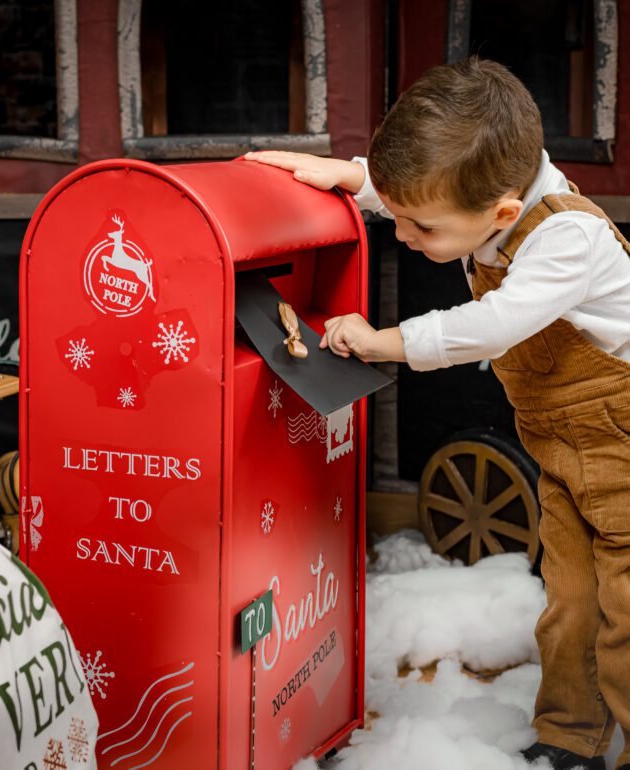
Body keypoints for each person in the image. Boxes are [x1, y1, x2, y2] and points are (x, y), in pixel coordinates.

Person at [246, 57, 630, 770]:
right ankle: (572, 735)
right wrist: (355, 180)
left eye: (419, 225)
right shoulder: (487, 201)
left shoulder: (566, 240)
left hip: (622, 445)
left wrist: (381, 340)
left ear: (503, 214)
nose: (404, 234)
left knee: (627, 613)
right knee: (571, 602)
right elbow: (429, 197)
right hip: (564, 448)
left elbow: (487, 326)